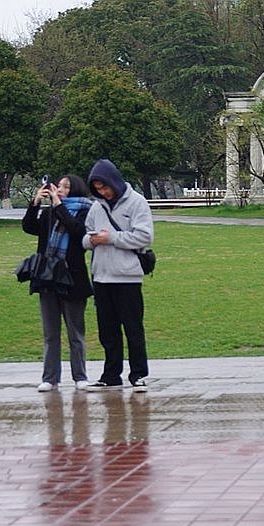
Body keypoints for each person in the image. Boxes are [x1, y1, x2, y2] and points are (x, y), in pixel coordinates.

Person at [81, 159, 153, 393]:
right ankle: (110, 375)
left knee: (133, 328)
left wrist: (110, 238)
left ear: (115, 181)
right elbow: (84, 238)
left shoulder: (137, 202)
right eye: (98, 189)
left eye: (105, 187)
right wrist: (91, 240)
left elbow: (144, 237)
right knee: (107, 331)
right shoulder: (96, 207)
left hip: (128, 277)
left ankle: (138, 374)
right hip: (101, 277)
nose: (103, 192)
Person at [22, 174, 94, 392]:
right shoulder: (50, 212)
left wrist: (58, 205)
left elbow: (76, 230)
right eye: (59, 186)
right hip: (48, 277)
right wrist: (35, 202)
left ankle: (80, 376)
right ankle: (50, 378)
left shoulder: (85, 210)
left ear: (76, 190)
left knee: (75, 332)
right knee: (50, 333)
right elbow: (29, 227)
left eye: (66, 187)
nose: (60, 189)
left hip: (72, 278)